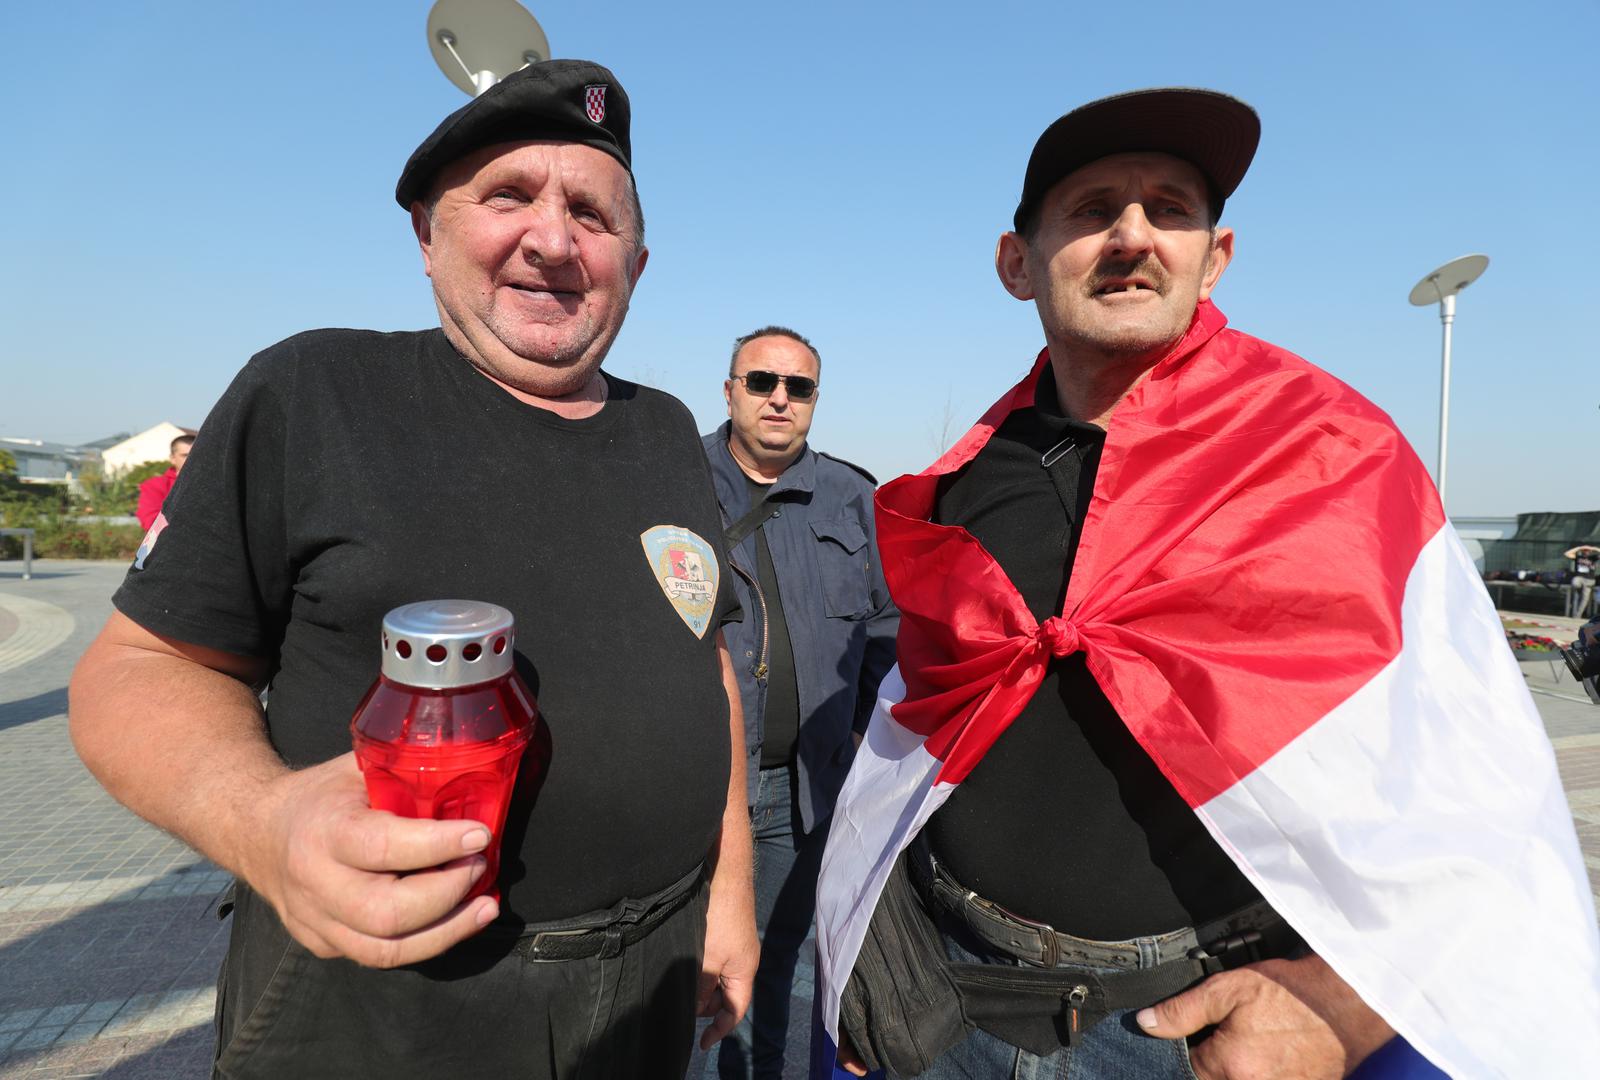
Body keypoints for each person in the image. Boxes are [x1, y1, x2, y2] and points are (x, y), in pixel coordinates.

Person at [813, 88, 1600, 1079]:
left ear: (1214, 256)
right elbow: (921, 732)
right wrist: (871, 946)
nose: (1132, 235)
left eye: (1170, 209)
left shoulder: (1332, 456)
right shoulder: (966, 481)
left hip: (1179, 1033)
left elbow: (1478, 774)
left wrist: (1340, 1008)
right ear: (1017, 263)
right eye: (1092, 208)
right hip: (949, 999)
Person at [68, 60, 757, 1079]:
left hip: (648, 981)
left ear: (637, 263)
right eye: (508, 196)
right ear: (427, 236)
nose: (554, 240)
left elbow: (708, 666)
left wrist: (729, 898)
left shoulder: (664, 430)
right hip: (387, 1006)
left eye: (592, 214)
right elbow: (136, 669)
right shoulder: (314, 391)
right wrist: (263, 823)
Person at [700, 327, 897, 1076]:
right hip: (698, 787)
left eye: (799, 387)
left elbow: (886, 632)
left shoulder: (852, 497)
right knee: (682, 968)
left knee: (781, 965)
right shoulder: (674, 481)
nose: (779, 398)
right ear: (730, 392)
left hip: (803, 790)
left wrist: (858, 740)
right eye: (761, 382)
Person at [134, 433, 193, 530]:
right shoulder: (155, 485)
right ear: (173, 459)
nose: (191, 459)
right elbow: (151, 522)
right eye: (185, 455)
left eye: (195, 455)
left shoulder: (214, 483)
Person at [1566, 544, 1599, 619]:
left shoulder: (1593, 557)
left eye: (1587, 550)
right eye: (1584, 550)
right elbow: (1567, 554)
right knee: (1575, 582)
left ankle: (1577, 615)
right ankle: (1579, 590)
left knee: (1585, 599)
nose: (1586, 551)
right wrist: (1579, 548)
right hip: (1579, 577)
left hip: (1589, 580)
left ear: (1590, 551)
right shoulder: (1578, 557)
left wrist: (1593, 548)